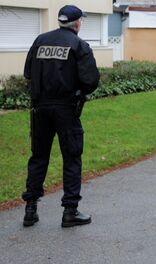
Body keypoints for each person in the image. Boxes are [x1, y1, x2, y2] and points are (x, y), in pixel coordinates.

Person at [22, 5, 99, 228]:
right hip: (66, 109)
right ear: (76, 24)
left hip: (40, 109)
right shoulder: (79, 45)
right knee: (72, 157)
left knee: (39, 157)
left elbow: (28, 73)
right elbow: (90, 81)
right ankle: (70, 211)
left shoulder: (40, 41)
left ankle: (30, 209)